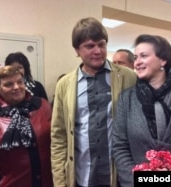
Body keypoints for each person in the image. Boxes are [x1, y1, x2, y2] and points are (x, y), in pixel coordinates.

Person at [112, 34, 171, 187]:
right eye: (136, 57)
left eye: (143, 56)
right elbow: (120, 145)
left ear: (163, 60)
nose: (137, 62)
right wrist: (133, 180)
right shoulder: (126, 98)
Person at [50, 17, 136, 187]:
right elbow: (59, 136)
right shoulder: (64, 85)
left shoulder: (128, 77)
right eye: (90, 46)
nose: (97, 51)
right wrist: (60, 181)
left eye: (101, 44)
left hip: (118, 175)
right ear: (77, 50)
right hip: (82, 175)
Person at [0, 65, 53, 187]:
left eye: (20, 82)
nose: (16, 87)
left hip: (47, 182)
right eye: (8, 84)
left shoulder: (42, 106)